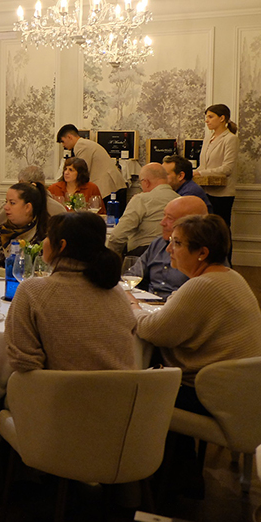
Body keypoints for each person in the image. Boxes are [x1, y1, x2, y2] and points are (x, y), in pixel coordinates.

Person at [132, 214, 261, 414]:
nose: (168, 249)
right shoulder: (231, 276)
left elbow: (153, 331)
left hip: (212, 394)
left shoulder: (203, 285)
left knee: (131, 391)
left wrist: (132, 307)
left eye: (177, 243)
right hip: (243, 389)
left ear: (202, 252)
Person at [5, 212, 135, 373]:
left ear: (62, 245)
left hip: (60, 389)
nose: (44, 241)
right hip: (124, 388)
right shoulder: (117, 291)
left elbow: (23, 362)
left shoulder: (33, 291)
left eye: (48, 236)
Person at [136, 195, 209, 300]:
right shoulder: (158, 244)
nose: (162, 223)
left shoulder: (202, 252)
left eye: (169, 218)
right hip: (148, 304)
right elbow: (133, 276)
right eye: (164, 215)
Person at [108, 163, 179, 256]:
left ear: (146, 182)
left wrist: (110, 256)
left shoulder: (142, 199)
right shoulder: (180, 200)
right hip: (173, 253)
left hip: (143, 255)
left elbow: (118, 236)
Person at [0, 165, 65, 238]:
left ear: (21, 182)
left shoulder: (13, 207)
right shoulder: (59, 209)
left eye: (12, 203)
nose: (8, 206)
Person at [193, 104, 239, 229]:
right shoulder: (208, 138)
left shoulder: (230, 139)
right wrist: (192, 172)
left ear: (222, 118)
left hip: (222, 194)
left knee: (221, 228)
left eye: (210, 117)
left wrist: (200, 173)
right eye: (206, 117)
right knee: (207, 229)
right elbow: (203, 165)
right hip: (205, 191)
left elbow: (227, 168)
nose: (206, 120)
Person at [0, 182, 49, 267]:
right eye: (6, 202)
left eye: (12, 203)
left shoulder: (45, 235)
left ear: (28, 207)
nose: (5, 207)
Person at [56, 125, 127, 201]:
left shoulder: (81, 146)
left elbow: (81, 171)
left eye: (63, 141)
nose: (63, 145)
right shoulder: (84, 143)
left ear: (69, 137)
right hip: (113, 186)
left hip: (109, 188)